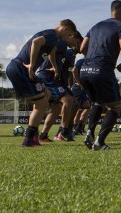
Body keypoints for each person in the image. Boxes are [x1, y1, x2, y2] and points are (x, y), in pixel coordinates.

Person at [6, 19, 79, 147]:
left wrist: (55, 68)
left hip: (20, 69)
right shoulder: (52, 34)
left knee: (46, 93)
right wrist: (32, 64)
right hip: (21, 68)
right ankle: (29, 139)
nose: (68, 38)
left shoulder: (53, 39)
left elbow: (51, 52)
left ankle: (36, 134)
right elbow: (36, 42)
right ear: (65, 28)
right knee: (42, 103)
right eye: (69, 34)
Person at [80, 0, 121, 151]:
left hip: (85, 71)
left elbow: (83, 47)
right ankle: (99, 142)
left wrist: (90, 59)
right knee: (115, 106)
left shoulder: (95, 26)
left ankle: (89, 132)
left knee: (96, 102)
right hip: (102, 70)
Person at [36, 32, 83, 142]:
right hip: (47, 76)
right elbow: (51, 51)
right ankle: (63, 131)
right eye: (78, 42)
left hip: (52, 78)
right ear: (71, 36)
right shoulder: (64, 45)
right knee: (68, 100)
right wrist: (54, 67)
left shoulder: (68, 51)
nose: (79, 45)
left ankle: (43, 135)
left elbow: (66, 71)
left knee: (57, 107)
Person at [71, 55, 90, 136]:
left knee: (86, 107)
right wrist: (78, 83)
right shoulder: (82, 61)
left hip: (83, 89)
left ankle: (79, 127)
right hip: (77, 88)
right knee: (78, 109)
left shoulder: (91, 63)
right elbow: (73, 70)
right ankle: (74, 127)